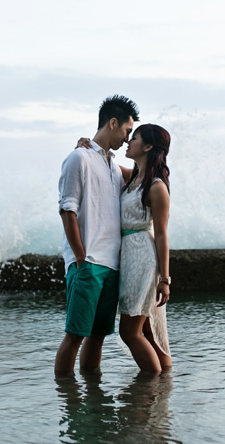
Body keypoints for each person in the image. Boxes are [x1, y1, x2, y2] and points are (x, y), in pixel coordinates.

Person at [54, 95, 140, 375]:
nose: (128, 139)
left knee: (99, 336)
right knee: (75, 335)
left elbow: (145, 171)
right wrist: (80, 258)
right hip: (88, 263)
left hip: (111, 265)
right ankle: (67, 399)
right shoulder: (79, 157)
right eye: (127, 131)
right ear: (112, 123)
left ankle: (93, 400)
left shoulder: (113, 165)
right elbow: (67, 210)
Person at [117, 124, 172, 374]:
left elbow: (161, 235)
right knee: (147, 330)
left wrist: (164, 279)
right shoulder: (132, 178)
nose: (128, 141)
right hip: (129, 256)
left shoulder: (156, 186)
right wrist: (89, 145)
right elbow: (101, 165)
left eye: (135, 137)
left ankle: (151, 385)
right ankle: (163, 390)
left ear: (148, 146)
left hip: (143, 259)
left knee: (129, 331)